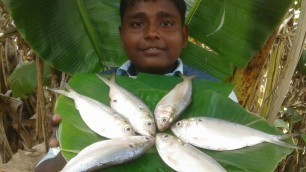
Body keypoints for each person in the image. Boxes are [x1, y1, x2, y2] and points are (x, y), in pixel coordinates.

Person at [35, 0, 237, 171]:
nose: (151, 33)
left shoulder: (218, 93)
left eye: (166, 23)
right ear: (122, 36)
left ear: (184, 35)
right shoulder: (89, 90)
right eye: (138, 24)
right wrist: (64, 147)